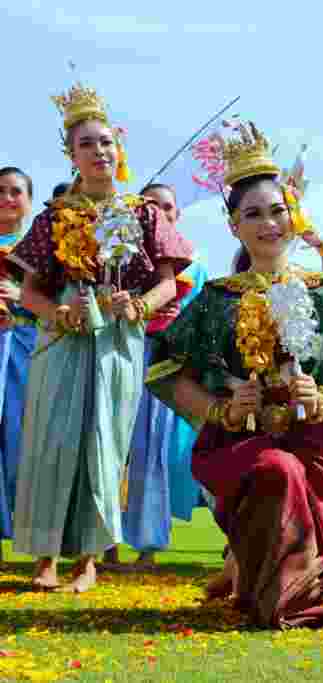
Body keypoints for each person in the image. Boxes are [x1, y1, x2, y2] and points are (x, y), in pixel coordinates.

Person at [145, 121, 323, 628]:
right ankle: (283, 601)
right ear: (233, 224)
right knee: (274, 472)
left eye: (277, 211)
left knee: (289, 470)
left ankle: (255, 581)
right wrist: (219, 409)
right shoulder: (216, 299)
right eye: (252, 214)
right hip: (237, 442)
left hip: (309, 442)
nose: (268, 224)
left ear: (293, 215)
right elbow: (167, 372)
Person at [8, 83, 192, 592]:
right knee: (50, 437)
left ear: (120, 149)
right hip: (61, 338)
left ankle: (89, 560)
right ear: (71, 155)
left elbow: (168, 281)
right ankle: (43, 558)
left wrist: (137, 305)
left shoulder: (144, 214)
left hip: (119, 338)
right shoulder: (51, 219)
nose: (99, 151)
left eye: (106, 142)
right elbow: (28, 292)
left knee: (105, 440)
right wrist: (59, 310)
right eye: (86, 144)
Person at [106, 182, 209, 569]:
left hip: (168, 363)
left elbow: (201, 320)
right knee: (113, 446)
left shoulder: (194, 265)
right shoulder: (127, 257)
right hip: (124, 353)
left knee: (154, 451)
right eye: (151, 206)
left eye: (168, 206)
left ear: (177, 213)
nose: (161, 212)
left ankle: (149, 548)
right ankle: (104, 544)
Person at [0, 168, 39, 563]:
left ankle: (27, 534)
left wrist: (19, 295)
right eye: (0, 191)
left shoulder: (42, 248)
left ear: (29, 200)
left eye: (16, 192)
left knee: (21, 438)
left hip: (27, 347)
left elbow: (58, 301)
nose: (8, 198)